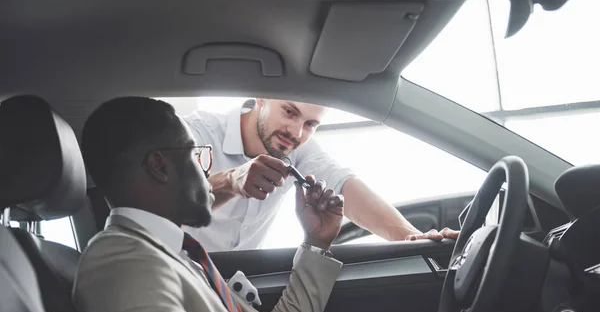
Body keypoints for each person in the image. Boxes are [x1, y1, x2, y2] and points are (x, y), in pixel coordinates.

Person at [74, 97, 546, 312]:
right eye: (191, 161)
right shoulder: (122, 262)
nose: (298, 132)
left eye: (310, 124)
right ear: (160, 166)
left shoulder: (174, 253)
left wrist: (319, 244)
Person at [183, 98, 459, 251]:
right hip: (176, 276)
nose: (296, 132)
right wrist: (231, 181)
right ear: (261, 96)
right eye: (290, 112)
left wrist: (412, 239)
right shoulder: (196, 132)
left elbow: (345, 187)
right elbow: (166, 204)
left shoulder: (298, 148)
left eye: (311, 124)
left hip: (238, 288)